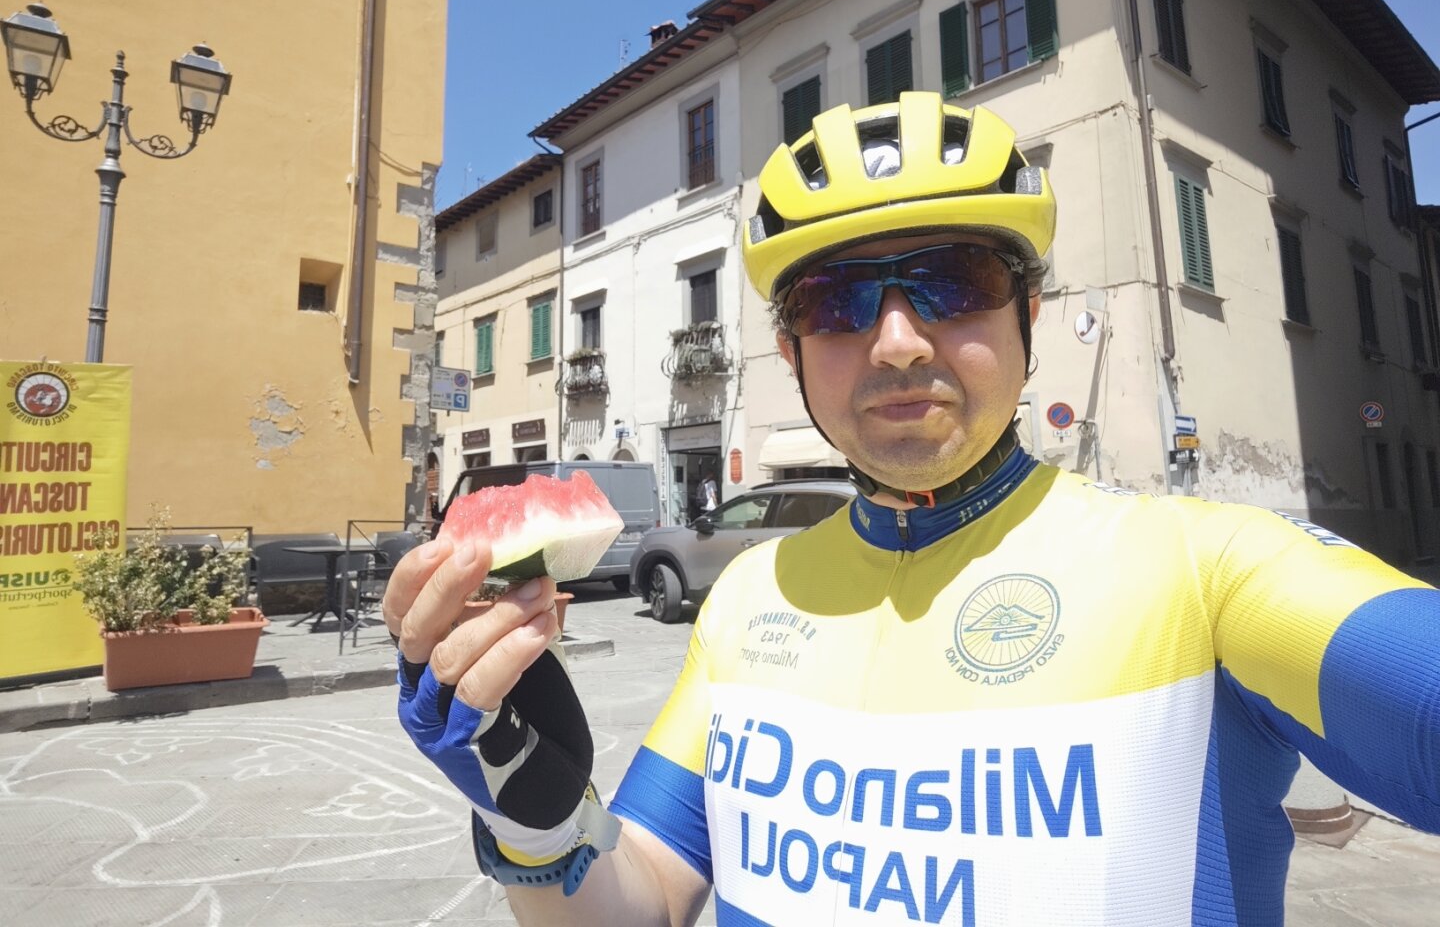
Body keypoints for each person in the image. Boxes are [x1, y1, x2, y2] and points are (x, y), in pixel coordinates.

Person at [385, 93, 1440, 926]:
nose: (896, 343)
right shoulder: (751, 597)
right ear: (792, 350)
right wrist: (535, 823)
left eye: (956, 279)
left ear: (1029, 314)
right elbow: (644, 903)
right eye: (837, 301)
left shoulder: (1209, 571)